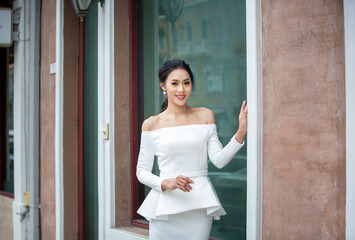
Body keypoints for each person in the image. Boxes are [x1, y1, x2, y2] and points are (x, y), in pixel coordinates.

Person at [136, 59, 248, 240]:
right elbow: (141, 171)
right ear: (163, 85)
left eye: (186, 83)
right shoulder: (151, 124)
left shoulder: (205, 115)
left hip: (199, 204)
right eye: (175, 83)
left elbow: (218, 160)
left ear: (192, 85)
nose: (181, 90)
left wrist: (241, 132)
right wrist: (166, 183)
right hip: (165, 206)